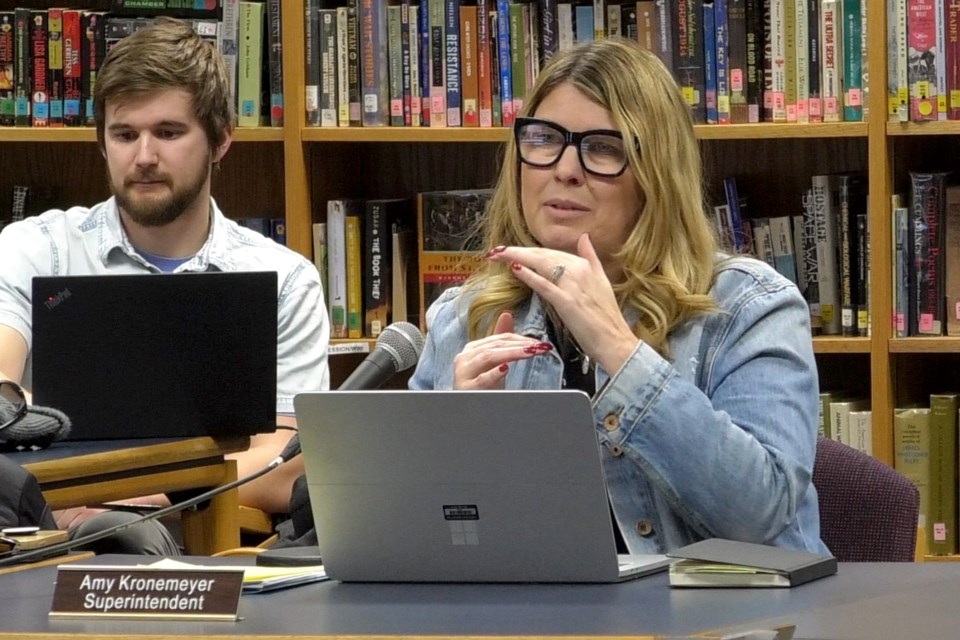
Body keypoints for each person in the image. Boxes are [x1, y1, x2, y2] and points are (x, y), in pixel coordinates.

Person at [409, 38, 828, 555]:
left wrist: (619, 350)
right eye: (544, 140)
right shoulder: (464, 316)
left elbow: (758, 514)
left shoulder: (750, 307)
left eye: (603, 148)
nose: (564, 168)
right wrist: (465, 446)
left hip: (719, 619)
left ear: (656, 175)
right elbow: (427, 538)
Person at [0, 18, 329, 552]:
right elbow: (2, 399)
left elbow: (285, 464)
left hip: (209, 540)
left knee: (129, 537)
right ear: (101, 143)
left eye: (169, 133)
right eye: (125, 135)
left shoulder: (286, 280)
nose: (144, 156)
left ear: (221, 140)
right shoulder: (34, 249)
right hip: (42, 536)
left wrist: (134, 493)